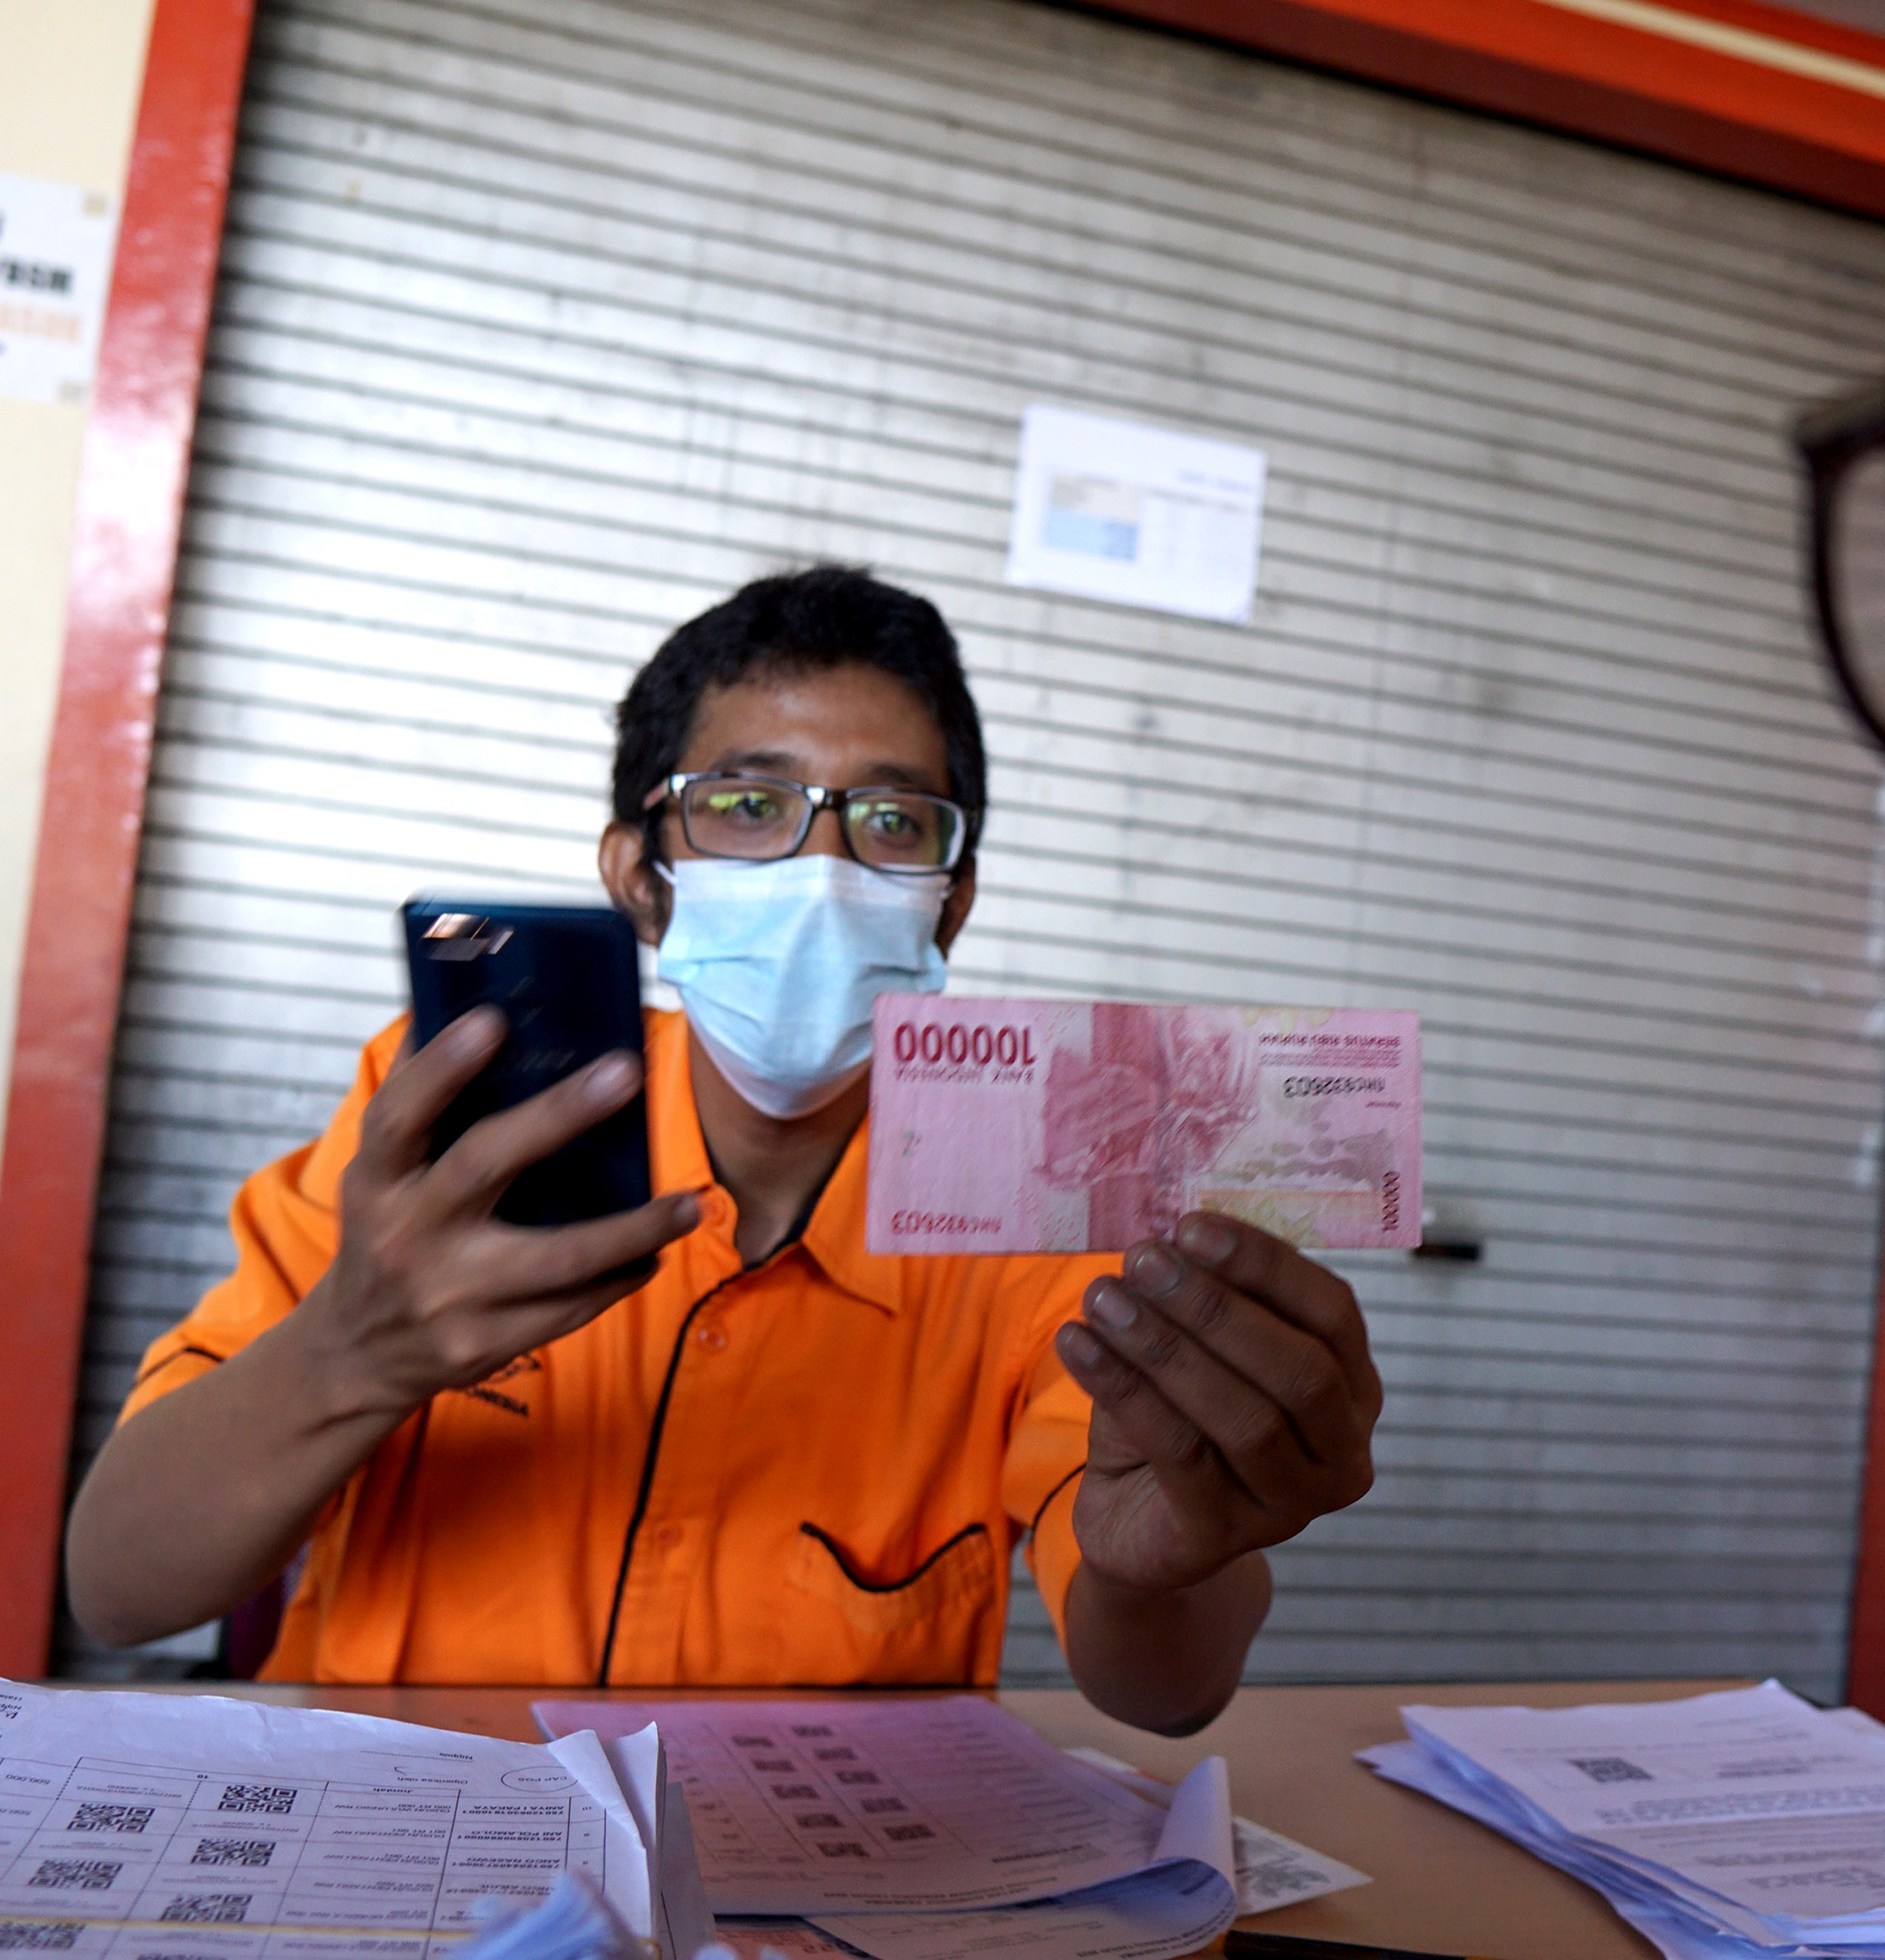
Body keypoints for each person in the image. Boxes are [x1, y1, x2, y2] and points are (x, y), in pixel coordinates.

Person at [63, 565, 1380, 1731]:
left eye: (892, 822)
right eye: (747, 805)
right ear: (641, 876)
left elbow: (1161, 1690)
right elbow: (118, 1586)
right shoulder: (439, 1133)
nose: (821, 865)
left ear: (952, 898)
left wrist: (1174, 1562)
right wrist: (351, 1352)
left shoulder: (1037, 1210)